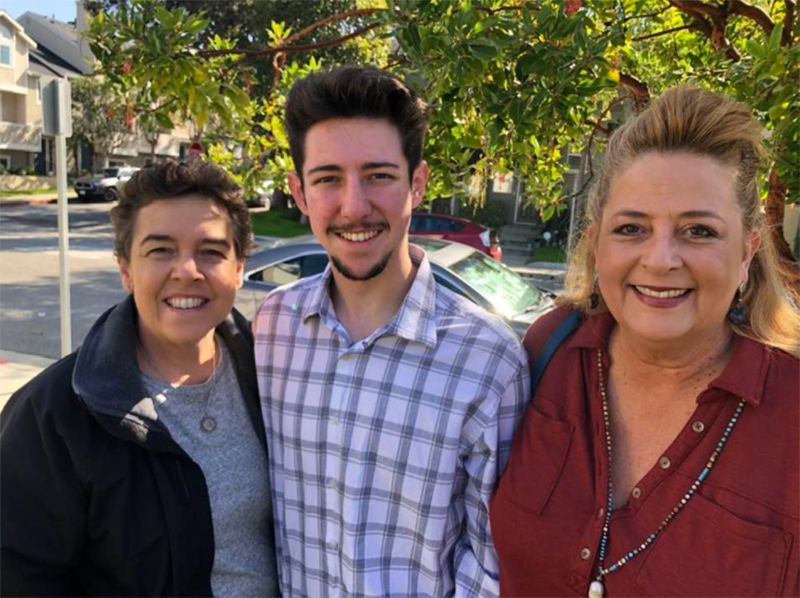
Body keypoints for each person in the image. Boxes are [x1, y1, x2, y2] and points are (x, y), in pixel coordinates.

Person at [490, 85, 800, 597]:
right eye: (631, 228)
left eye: (698, 231)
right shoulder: (550, 351)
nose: (659, 260)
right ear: (596, 245)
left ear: (747, 252)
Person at [253, 65, 530, 597]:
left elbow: (492, 565)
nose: (354, 206)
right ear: (299, 192)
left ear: (417, 183)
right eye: (328, 178)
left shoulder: (488, 359)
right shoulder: (272, 329)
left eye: (378, 175)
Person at [0, 161, 280, 596]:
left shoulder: (274, 377)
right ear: (126, 269)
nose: (187, 270)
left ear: (240, 266)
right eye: (160, 250)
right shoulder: (53, 414)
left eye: (211, 251)